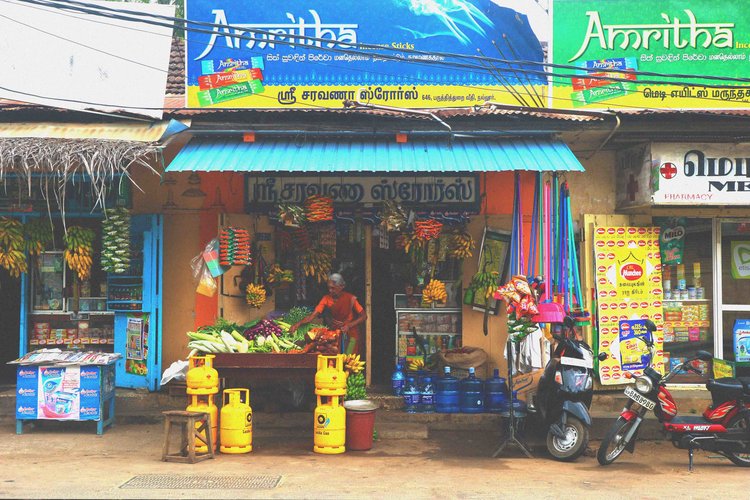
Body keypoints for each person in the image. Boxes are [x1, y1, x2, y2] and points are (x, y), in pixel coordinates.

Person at [289, 273, 367, 354]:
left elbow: (364, 316)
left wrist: (349, 325)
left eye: (333, 288)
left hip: (351, 333)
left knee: (349, 360)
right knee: (336, 358)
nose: (330, 291)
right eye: (329, 288)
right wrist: (298, 324)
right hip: (336, 334)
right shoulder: (326, 298)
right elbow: (312, 316)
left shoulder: (350, 298)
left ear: (341, 287)